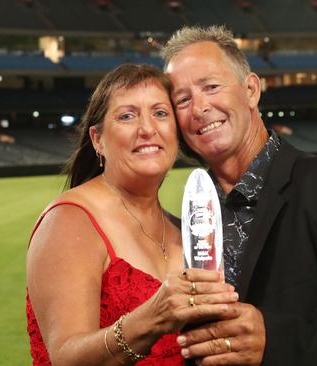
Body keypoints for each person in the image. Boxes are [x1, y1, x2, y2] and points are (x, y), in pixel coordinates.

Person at [161, 25, 317, 365]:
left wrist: (273, 338)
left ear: (251, 90)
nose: (199, 107)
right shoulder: (193, 214)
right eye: (183, 99)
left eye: (211, 87)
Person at [25, 64, 238, 366]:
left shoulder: (184, 231)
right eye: (127, 115)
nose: (147, 129)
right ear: (97, 139)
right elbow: (65, 357)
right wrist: (152, 318)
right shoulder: (71, 220)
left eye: (161, 114)